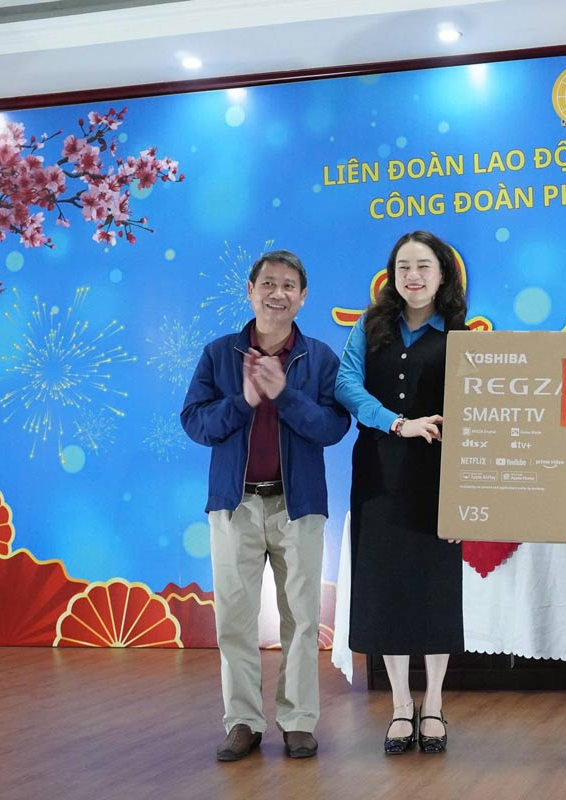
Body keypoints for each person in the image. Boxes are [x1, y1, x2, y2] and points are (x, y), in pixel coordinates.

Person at [181, 249, 351, 762]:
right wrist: (246, 400)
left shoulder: (318, 357)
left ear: (303, 298)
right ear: (250, 292)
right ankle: (243, 723)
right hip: (233, 505)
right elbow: (195, 423)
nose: (278, 294)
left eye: (289, 286)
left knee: (301, 618)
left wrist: (284, 396)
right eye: (269, 284)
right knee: (234, 618)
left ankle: (299, 722)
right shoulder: (218, 354)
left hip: (299, 505)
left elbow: (333, 427)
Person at [334, 230, 467, 755]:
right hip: (379, 473)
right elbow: (347, 385)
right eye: (404, 266)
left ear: (443, 275)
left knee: (435, 588)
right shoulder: (369, 326)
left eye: (424, 267)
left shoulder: (461, 331)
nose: (413, 276)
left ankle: (432, 703)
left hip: (441, 477)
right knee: (384, 588)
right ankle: (399, 707)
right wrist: (395, 423)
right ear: (392, 274)